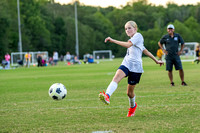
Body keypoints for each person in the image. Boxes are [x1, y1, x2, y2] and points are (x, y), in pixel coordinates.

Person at [99, 21, 164, 117]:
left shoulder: (138, 36)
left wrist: (113, 40)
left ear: (135, 29)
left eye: (129, 28)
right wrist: (156, 60)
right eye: (126, 29)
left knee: (129, 93)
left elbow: (131, 46)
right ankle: (107, 96)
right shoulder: (133, 39)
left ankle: (132, 107)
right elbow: (145, 50)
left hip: (136, 68)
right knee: (116, 77)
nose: (127, 30)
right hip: (126, 63)